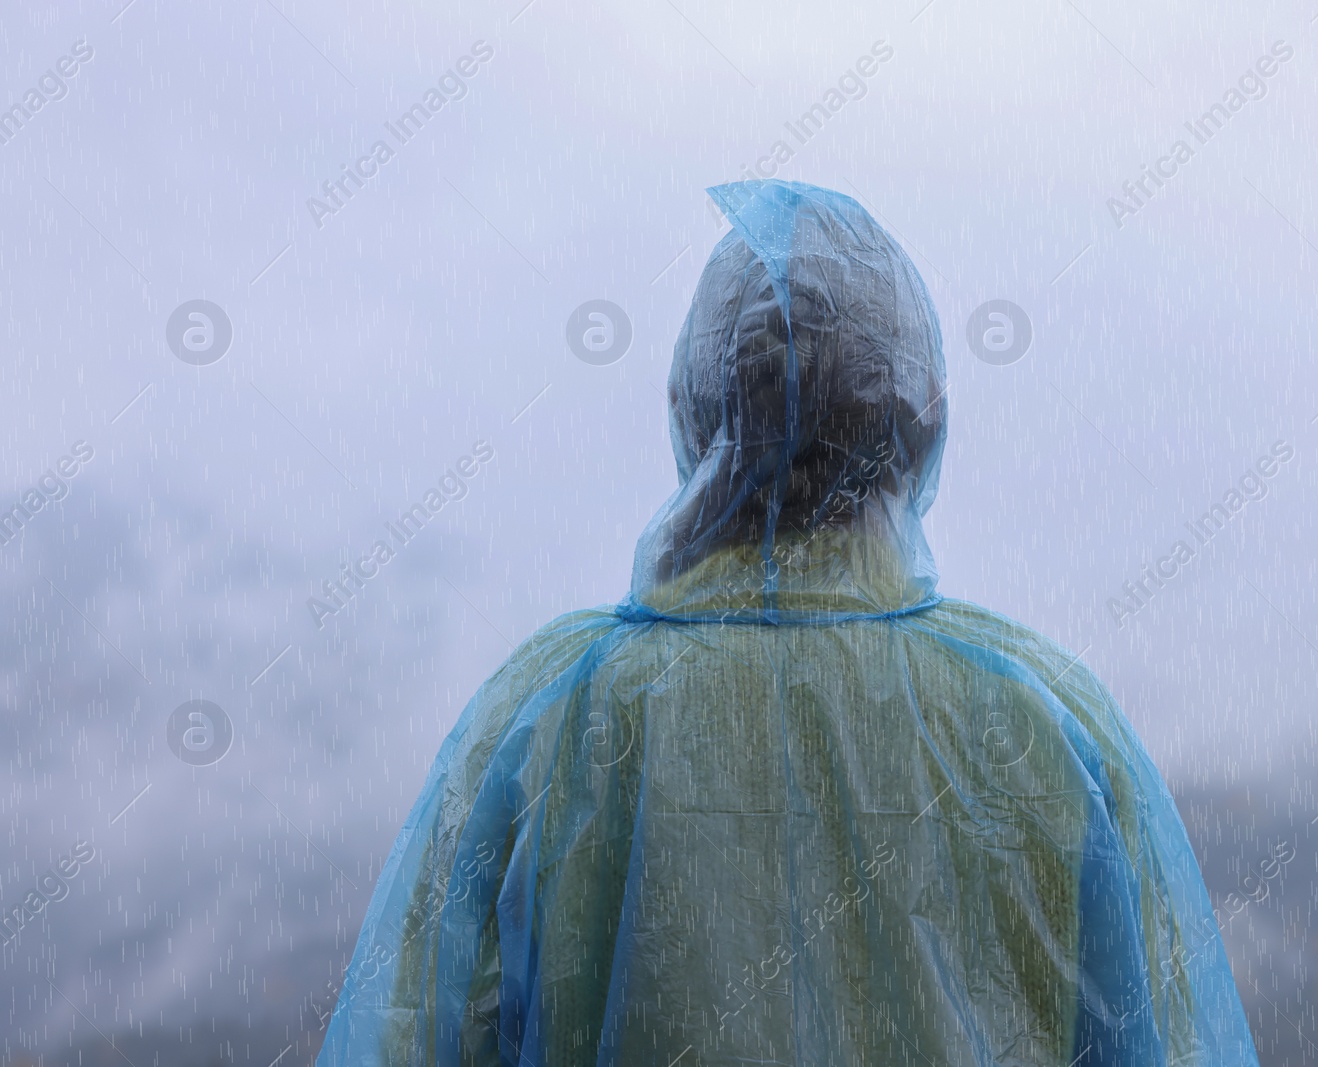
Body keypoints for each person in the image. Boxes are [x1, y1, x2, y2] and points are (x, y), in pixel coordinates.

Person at [316, 180, 1260, 1066]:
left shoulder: (547, 716)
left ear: (697, 407)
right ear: (918, 420)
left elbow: (412, 1031)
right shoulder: (1049, 722)